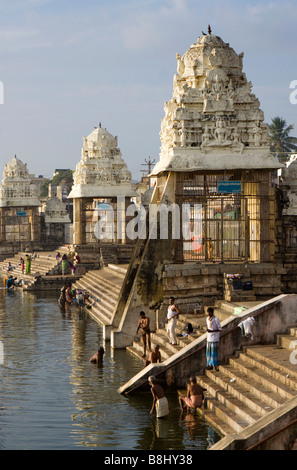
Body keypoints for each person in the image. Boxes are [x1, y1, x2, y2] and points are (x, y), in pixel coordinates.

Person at [206, 307, 222, 371]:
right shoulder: (207, 319)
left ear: (212, 312)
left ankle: (214, 365)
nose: (209, 314)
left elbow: (220, 329)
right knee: (208, 353)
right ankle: (209, 365)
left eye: (210, 312)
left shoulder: (216, 320)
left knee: (213, 353)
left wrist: (212, 331)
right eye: (208, 312)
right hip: (209, 338)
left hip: (214, 338)